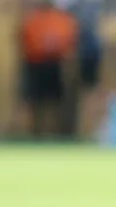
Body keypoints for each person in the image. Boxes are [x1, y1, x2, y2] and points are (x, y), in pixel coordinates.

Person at [15, 0, 77, 137]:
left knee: (54, 101)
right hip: (35, 64)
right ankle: (36, 132)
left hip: (54, 64)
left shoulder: (61, 20)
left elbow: (69, 41)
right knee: (36, 101)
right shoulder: (31, 19)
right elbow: (23, 40)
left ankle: (52, 132)